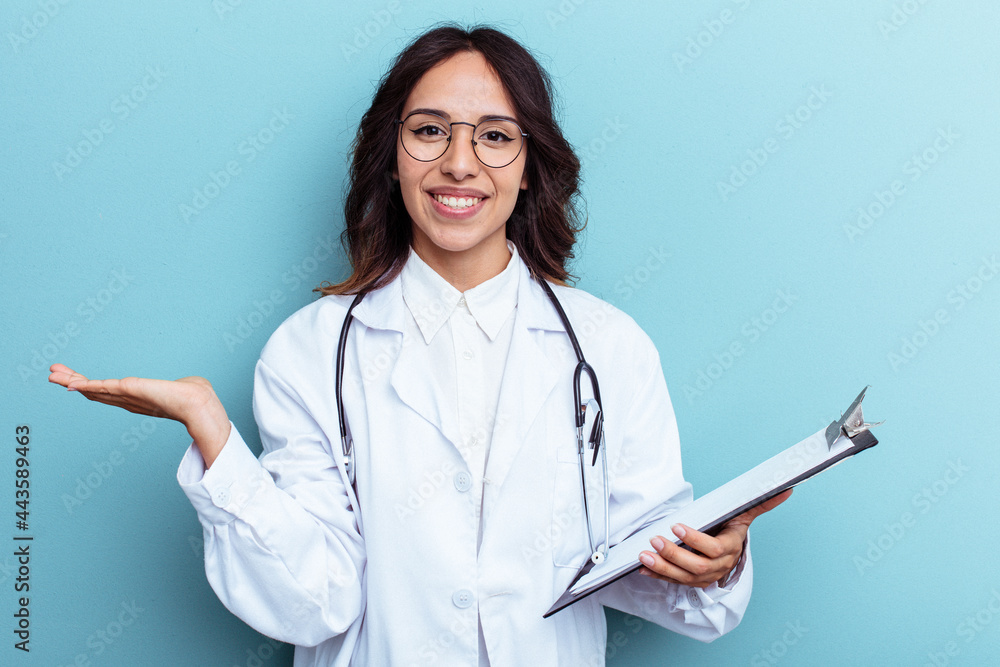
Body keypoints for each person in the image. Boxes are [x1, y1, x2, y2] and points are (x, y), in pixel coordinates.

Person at [49, 24, 789, 666]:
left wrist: (713, 565)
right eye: (429, 130)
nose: (460, 164)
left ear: (530, 166)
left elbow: (640, 566)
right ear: (392, 154)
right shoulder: (311, 350)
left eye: (495, 136)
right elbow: (312, 601)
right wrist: (214, 437)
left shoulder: (609, 347)